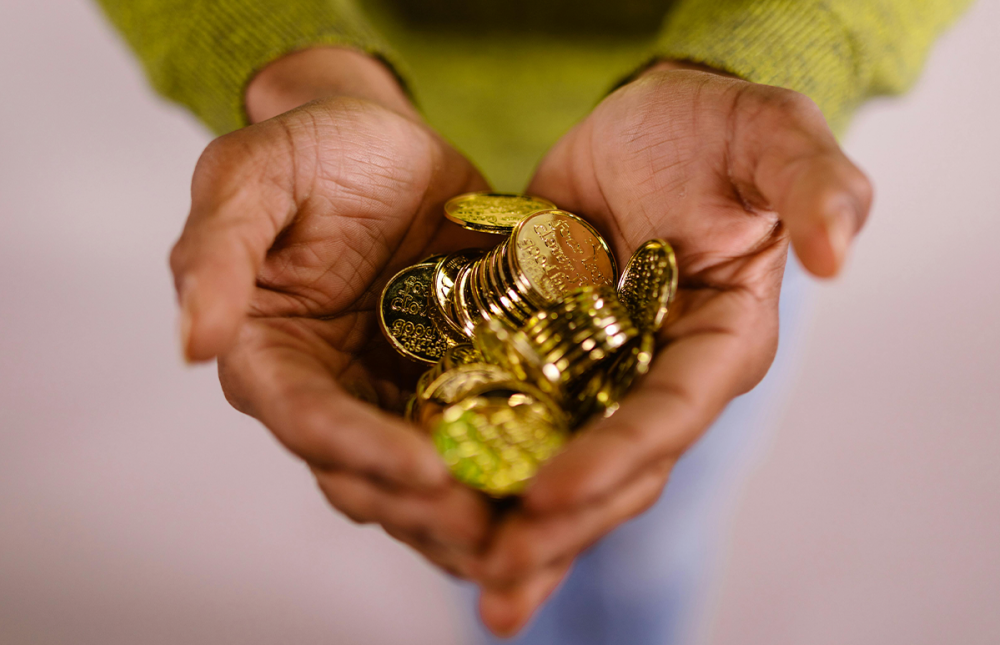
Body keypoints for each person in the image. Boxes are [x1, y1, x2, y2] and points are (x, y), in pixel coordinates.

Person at [95, 1, 972, 642]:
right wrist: (295, 63)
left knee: (656, 529)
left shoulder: (703, 241)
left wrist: (778, 46)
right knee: (480, 539)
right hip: (372, 176)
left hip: (708, 218)